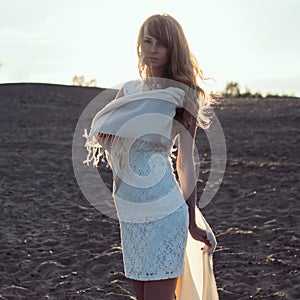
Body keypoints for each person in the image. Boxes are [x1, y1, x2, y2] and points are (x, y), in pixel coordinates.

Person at [84, 13, 219, 300]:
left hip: (163, 205)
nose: (153, 49)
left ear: (174, 49)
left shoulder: (184, 94)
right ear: (139, 46)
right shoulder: (129, 90)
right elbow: (106, 136)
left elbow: (184, 161)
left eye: (161, 43)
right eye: (148, 41)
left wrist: (192, 220)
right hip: (129, 208)